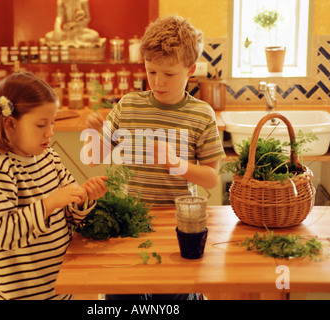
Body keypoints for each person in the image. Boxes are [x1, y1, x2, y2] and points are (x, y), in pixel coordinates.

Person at [85, 15, 226, 300]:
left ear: (190, 70)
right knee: (123, 296)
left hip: (176, 226)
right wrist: (94, 133)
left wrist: (177, 164)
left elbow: (212, 177)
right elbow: (95, 156)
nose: (158, 82)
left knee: (173, 297)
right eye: (151, 72)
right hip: (129, 223)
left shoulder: (201, 114)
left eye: (169, 74)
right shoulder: (128, 105)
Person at [0, 72, 107, 300]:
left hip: (58, 292)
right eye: (41, 124)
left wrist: (84, 197)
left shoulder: (49, 158)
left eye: (52, 122)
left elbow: (72, 216)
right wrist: (50, 203)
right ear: (9, 124)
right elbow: (5, 235)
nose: (50, 132)